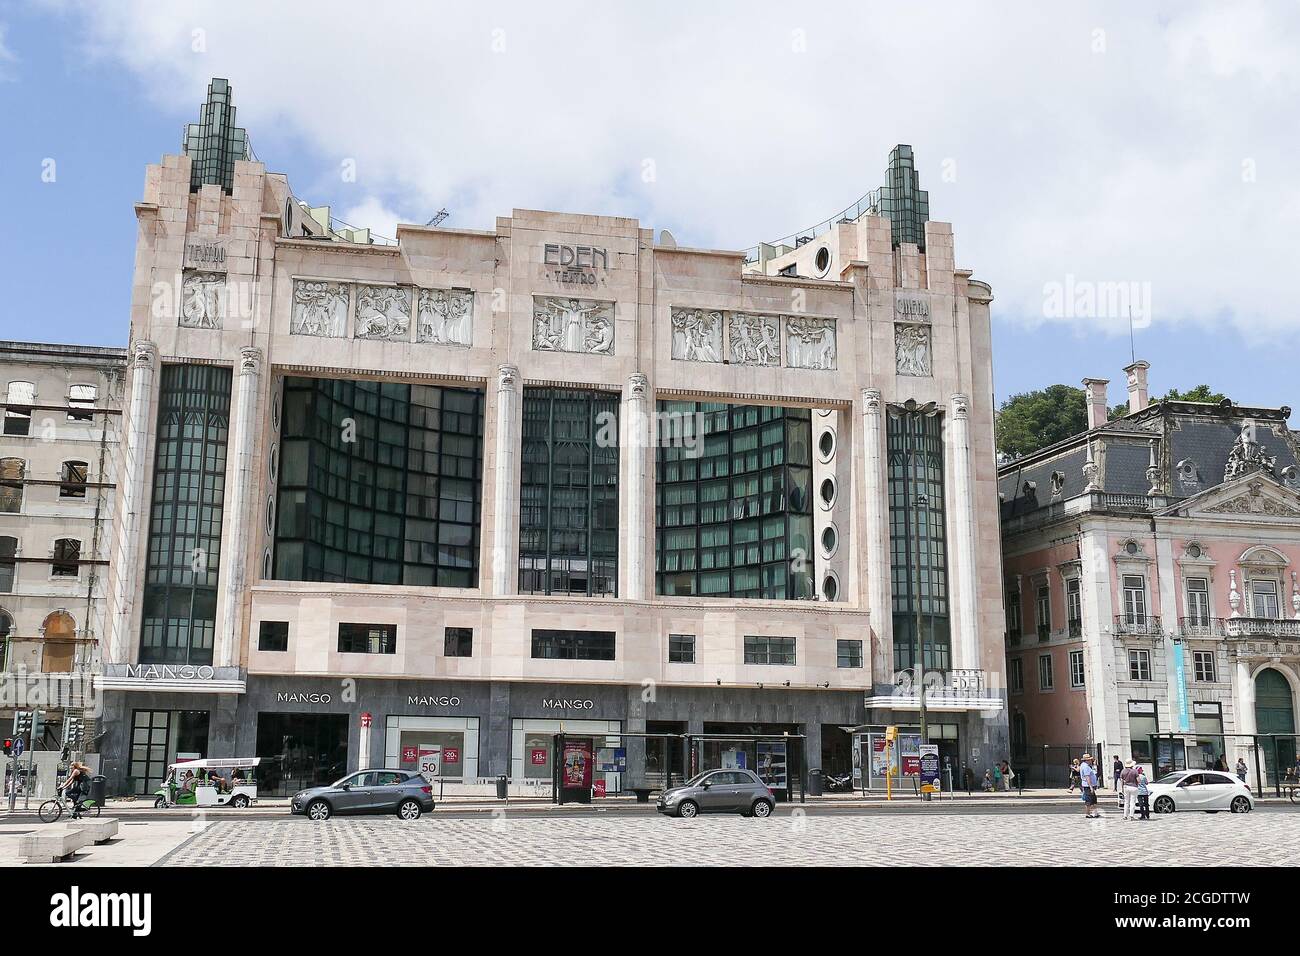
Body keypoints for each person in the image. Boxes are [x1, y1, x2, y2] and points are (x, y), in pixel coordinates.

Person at [1079, 753, 1100, 818]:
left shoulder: (1084, 765)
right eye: (1090, 760)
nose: (1091, 761)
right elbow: (1087, 777)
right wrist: (1091, 786)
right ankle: (1088, 813)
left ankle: (1095, 813)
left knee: (1093, 799)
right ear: (1087, 760)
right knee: (1088, 800)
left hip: (1088, 785)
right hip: (1088, 786)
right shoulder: (1086, 767)